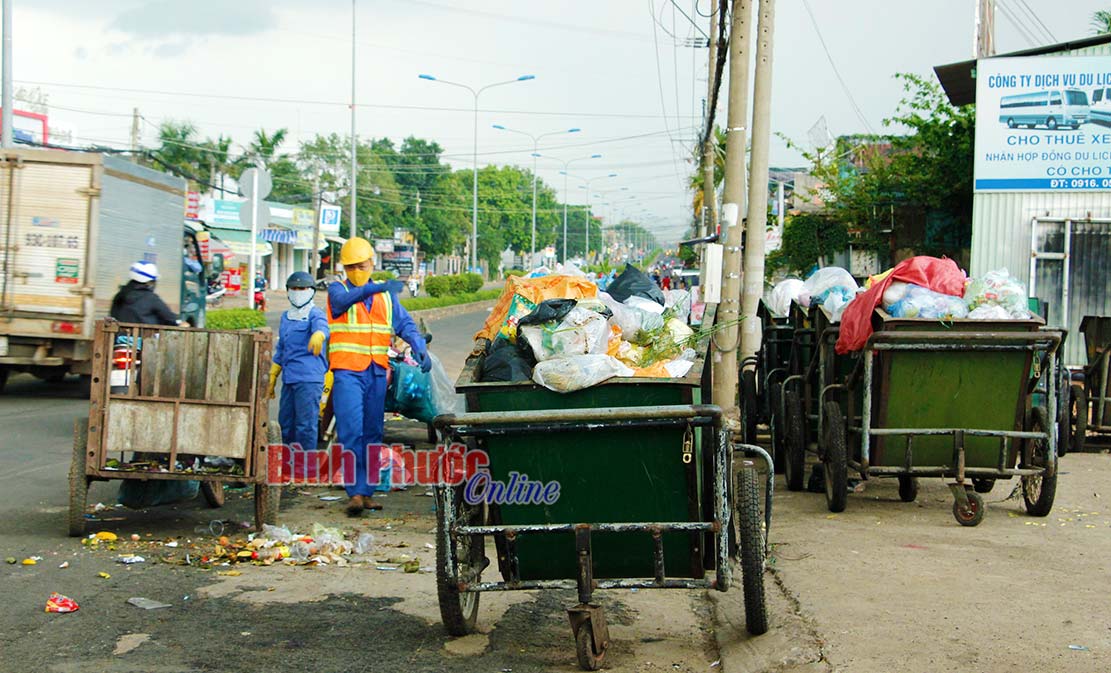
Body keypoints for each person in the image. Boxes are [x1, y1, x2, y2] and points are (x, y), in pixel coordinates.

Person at [327, 237, 431, 516]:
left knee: (373, 432)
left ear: (372, 263)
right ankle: (355, 492)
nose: (357, 271)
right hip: (348, 371)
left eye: (362, 265)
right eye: (351, 267)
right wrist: (374, 287)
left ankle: (367, 491)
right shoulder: (338, 289)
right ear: (344, 268)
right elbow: (341, 303)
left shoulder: (386, 297)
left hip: (375, 371)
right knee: (351, 431)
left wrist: (417, 343)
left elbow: (404, 323)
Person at [268, 271, 330, 481]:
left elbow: (323, 328)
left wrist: (319, 335)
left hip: (309, 378)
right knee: (286, 423)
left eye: (302, 289)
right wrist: (273, 373)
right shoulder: (286, 317)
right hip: (290, 378)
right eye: (293, 289)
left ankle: (307, 470)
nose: (297, 293)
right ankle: (287, 468)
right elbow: (281, 348)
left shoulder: (315, 314)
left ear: (311, 291)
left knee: (306, 425)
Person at [109, 261, 179, 325]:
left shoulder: (119, 296)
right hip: (144, 338)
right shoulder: (151, 298)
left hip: (120, 337)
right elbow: (170, 318)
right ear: (149, 282)